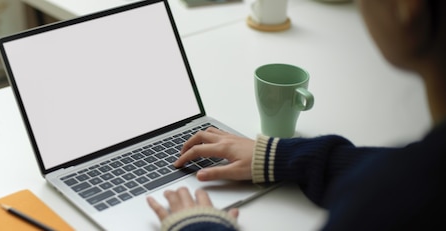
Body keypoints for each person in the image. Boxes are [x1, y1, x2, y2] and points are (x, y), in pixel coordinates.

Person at [146, 0, 446, 230]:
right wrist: (278, 156)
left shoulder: (379, 207)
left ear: (408, 8)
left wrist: (200, 227)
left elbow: (399, 183)